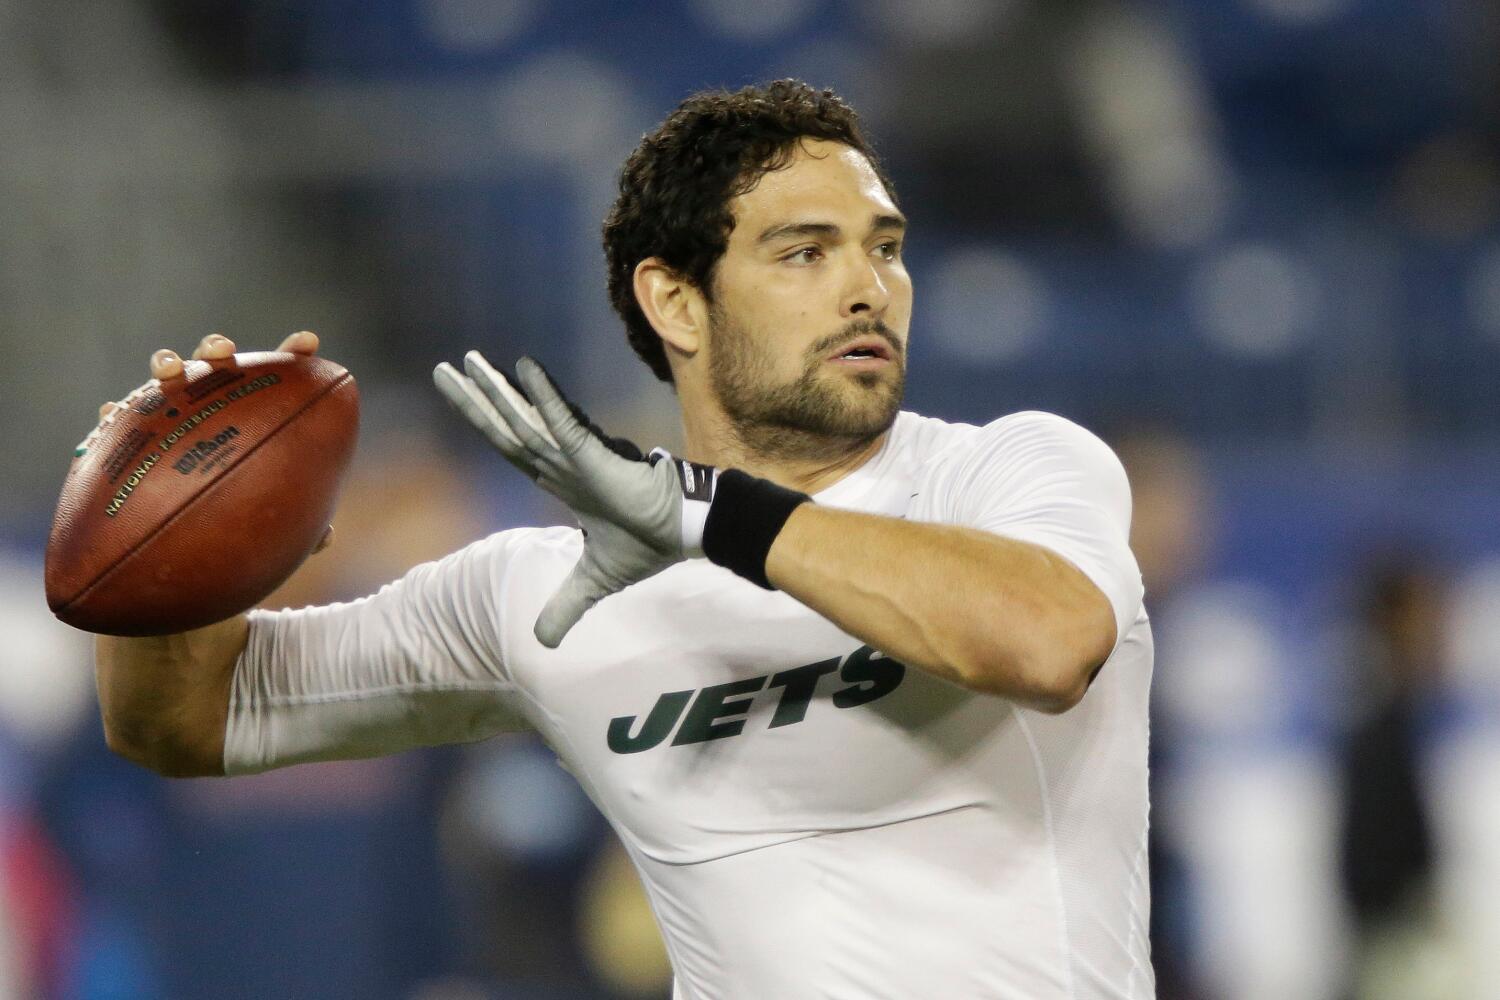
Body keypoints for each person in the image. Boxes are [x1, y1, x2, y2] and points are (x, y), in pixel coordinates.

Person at [94, 80, 1153, 998]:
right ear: (674, 303)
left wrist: (703, 511)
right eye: (804, 252)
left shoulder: (1008, 472)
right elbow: (187, 718)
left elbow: (1046, 641)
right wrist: (157, 530)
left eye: (885, 248)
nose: (868, 285)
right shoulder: (536, 599)